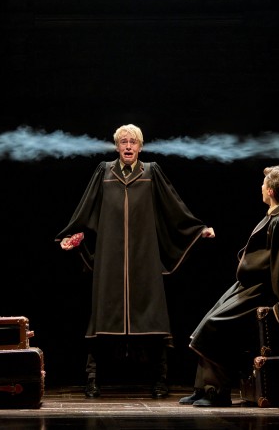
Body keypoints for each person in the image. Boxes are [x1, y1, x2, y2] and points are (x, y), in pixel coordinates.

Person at [56, 123, 215, 399]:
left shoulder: (151, 172)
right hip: (110, 260)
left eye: (133, 142)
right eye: (123, 142)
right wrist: (72, 233)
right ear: (116, 146)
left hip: (144, 258)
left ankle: (160, 380)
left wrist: (196, 229)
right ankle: (92, 379)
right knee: (101, 319)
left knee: (153, 319)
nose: (128, 146)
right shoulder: (104, 171)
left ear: (140, 147)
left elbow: (173, 206)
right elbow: (87, 206)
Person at [179, 165, 279, 407]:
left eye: (264, 184)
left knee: (216, 325)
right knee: (210, 319)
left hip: (266, 292)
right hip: (253, 286)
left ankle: (216, 392)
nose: (261, 187)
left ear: (270, 191)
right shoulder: (277, 215)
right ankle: (203, 388)